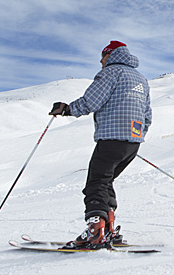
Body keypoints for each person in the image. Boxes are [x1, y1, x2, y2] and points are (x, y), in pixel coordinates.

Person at [49, 41, 152, 248]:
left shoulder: (110, 73)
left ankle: (95, 232)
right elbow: (147, 115)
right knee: (106, 182)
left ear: (110, 55)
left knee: (96, 183)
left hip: (111, 139)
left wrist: (67, 109)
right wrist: (133, 137)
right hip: (132, 143)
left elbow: (92, 100)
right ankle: (109, 229)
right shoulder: (141, 79)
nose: (100, 61)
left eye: (103, 56)